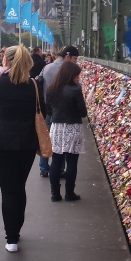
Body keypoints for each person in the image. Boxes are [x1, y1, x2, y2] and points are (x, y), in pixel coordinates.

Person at [0, 45, 45, 252]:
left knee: (8, 189)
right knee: (19, 186)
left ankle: (11, 237)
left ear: (6, 60)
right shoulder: (33, 85)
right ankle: (16, 229)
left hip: (2, 142)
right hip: (27, 142)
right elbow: (43, 110)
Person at [44, 60, 88, 203]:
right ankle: (70, 193)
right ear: (70, 75)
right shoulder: (75, 89)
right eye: (76, 76)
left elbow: (48, 110)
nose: (78, 78)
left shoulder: (51, 88)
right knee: (72, 162)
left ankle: (54, 194)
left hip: (56, 128)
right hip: (73, 127)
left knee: (56, 161)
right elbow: (82, 113)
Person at [37, 46, 78, 177]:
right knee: (60, 143)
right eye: (75, 59)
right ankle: (59, 170)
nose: (76, 62)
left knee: (46, 138)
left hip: (47, 108)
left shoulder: (46, 67)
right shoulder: (67, 72)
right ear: (67, 56)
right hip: (63, 112)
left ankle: (43, 167)